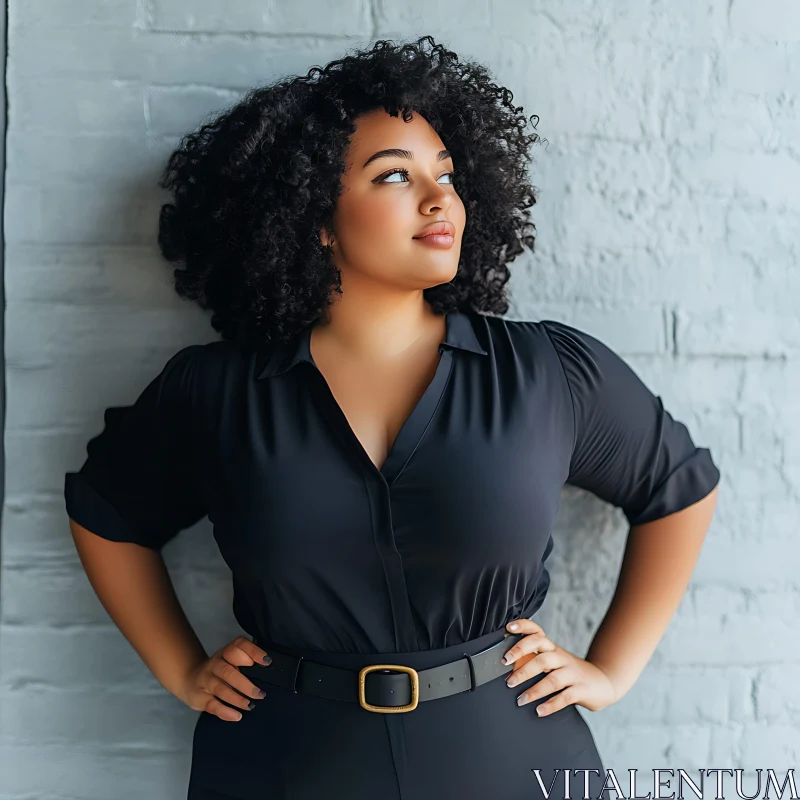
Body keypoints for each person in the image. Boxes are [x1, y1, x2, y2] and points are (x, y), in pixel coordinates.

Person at [63, 35, 721, 800]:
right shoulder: (217, 392)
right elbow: (106, 511)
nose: (439, 198)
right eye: (395, 176)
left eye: (445, 174)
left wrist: (612, 669)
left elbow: (679, 489)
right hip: (282, 765)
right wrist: (179, 667)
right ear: (315, 217)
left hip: (509, 758)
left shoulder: (546, 373)